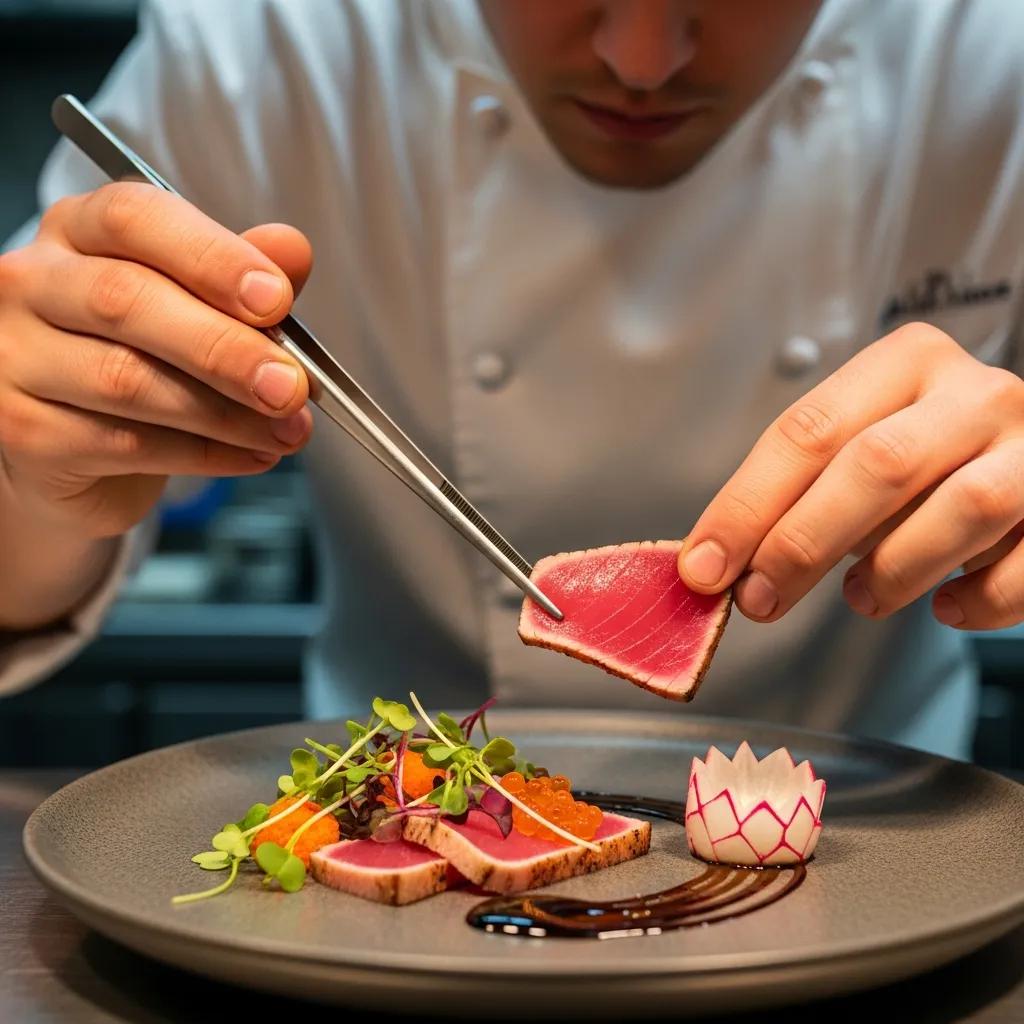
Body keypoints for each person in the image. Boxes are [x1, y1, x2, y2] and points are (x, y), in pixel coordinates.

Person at [2, 0, 1023, 760]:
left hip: (881, 848)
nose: (643, 60)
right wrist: (34, 477)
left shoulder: (991, 56)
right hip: (396, 855)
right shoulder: (256, 48)